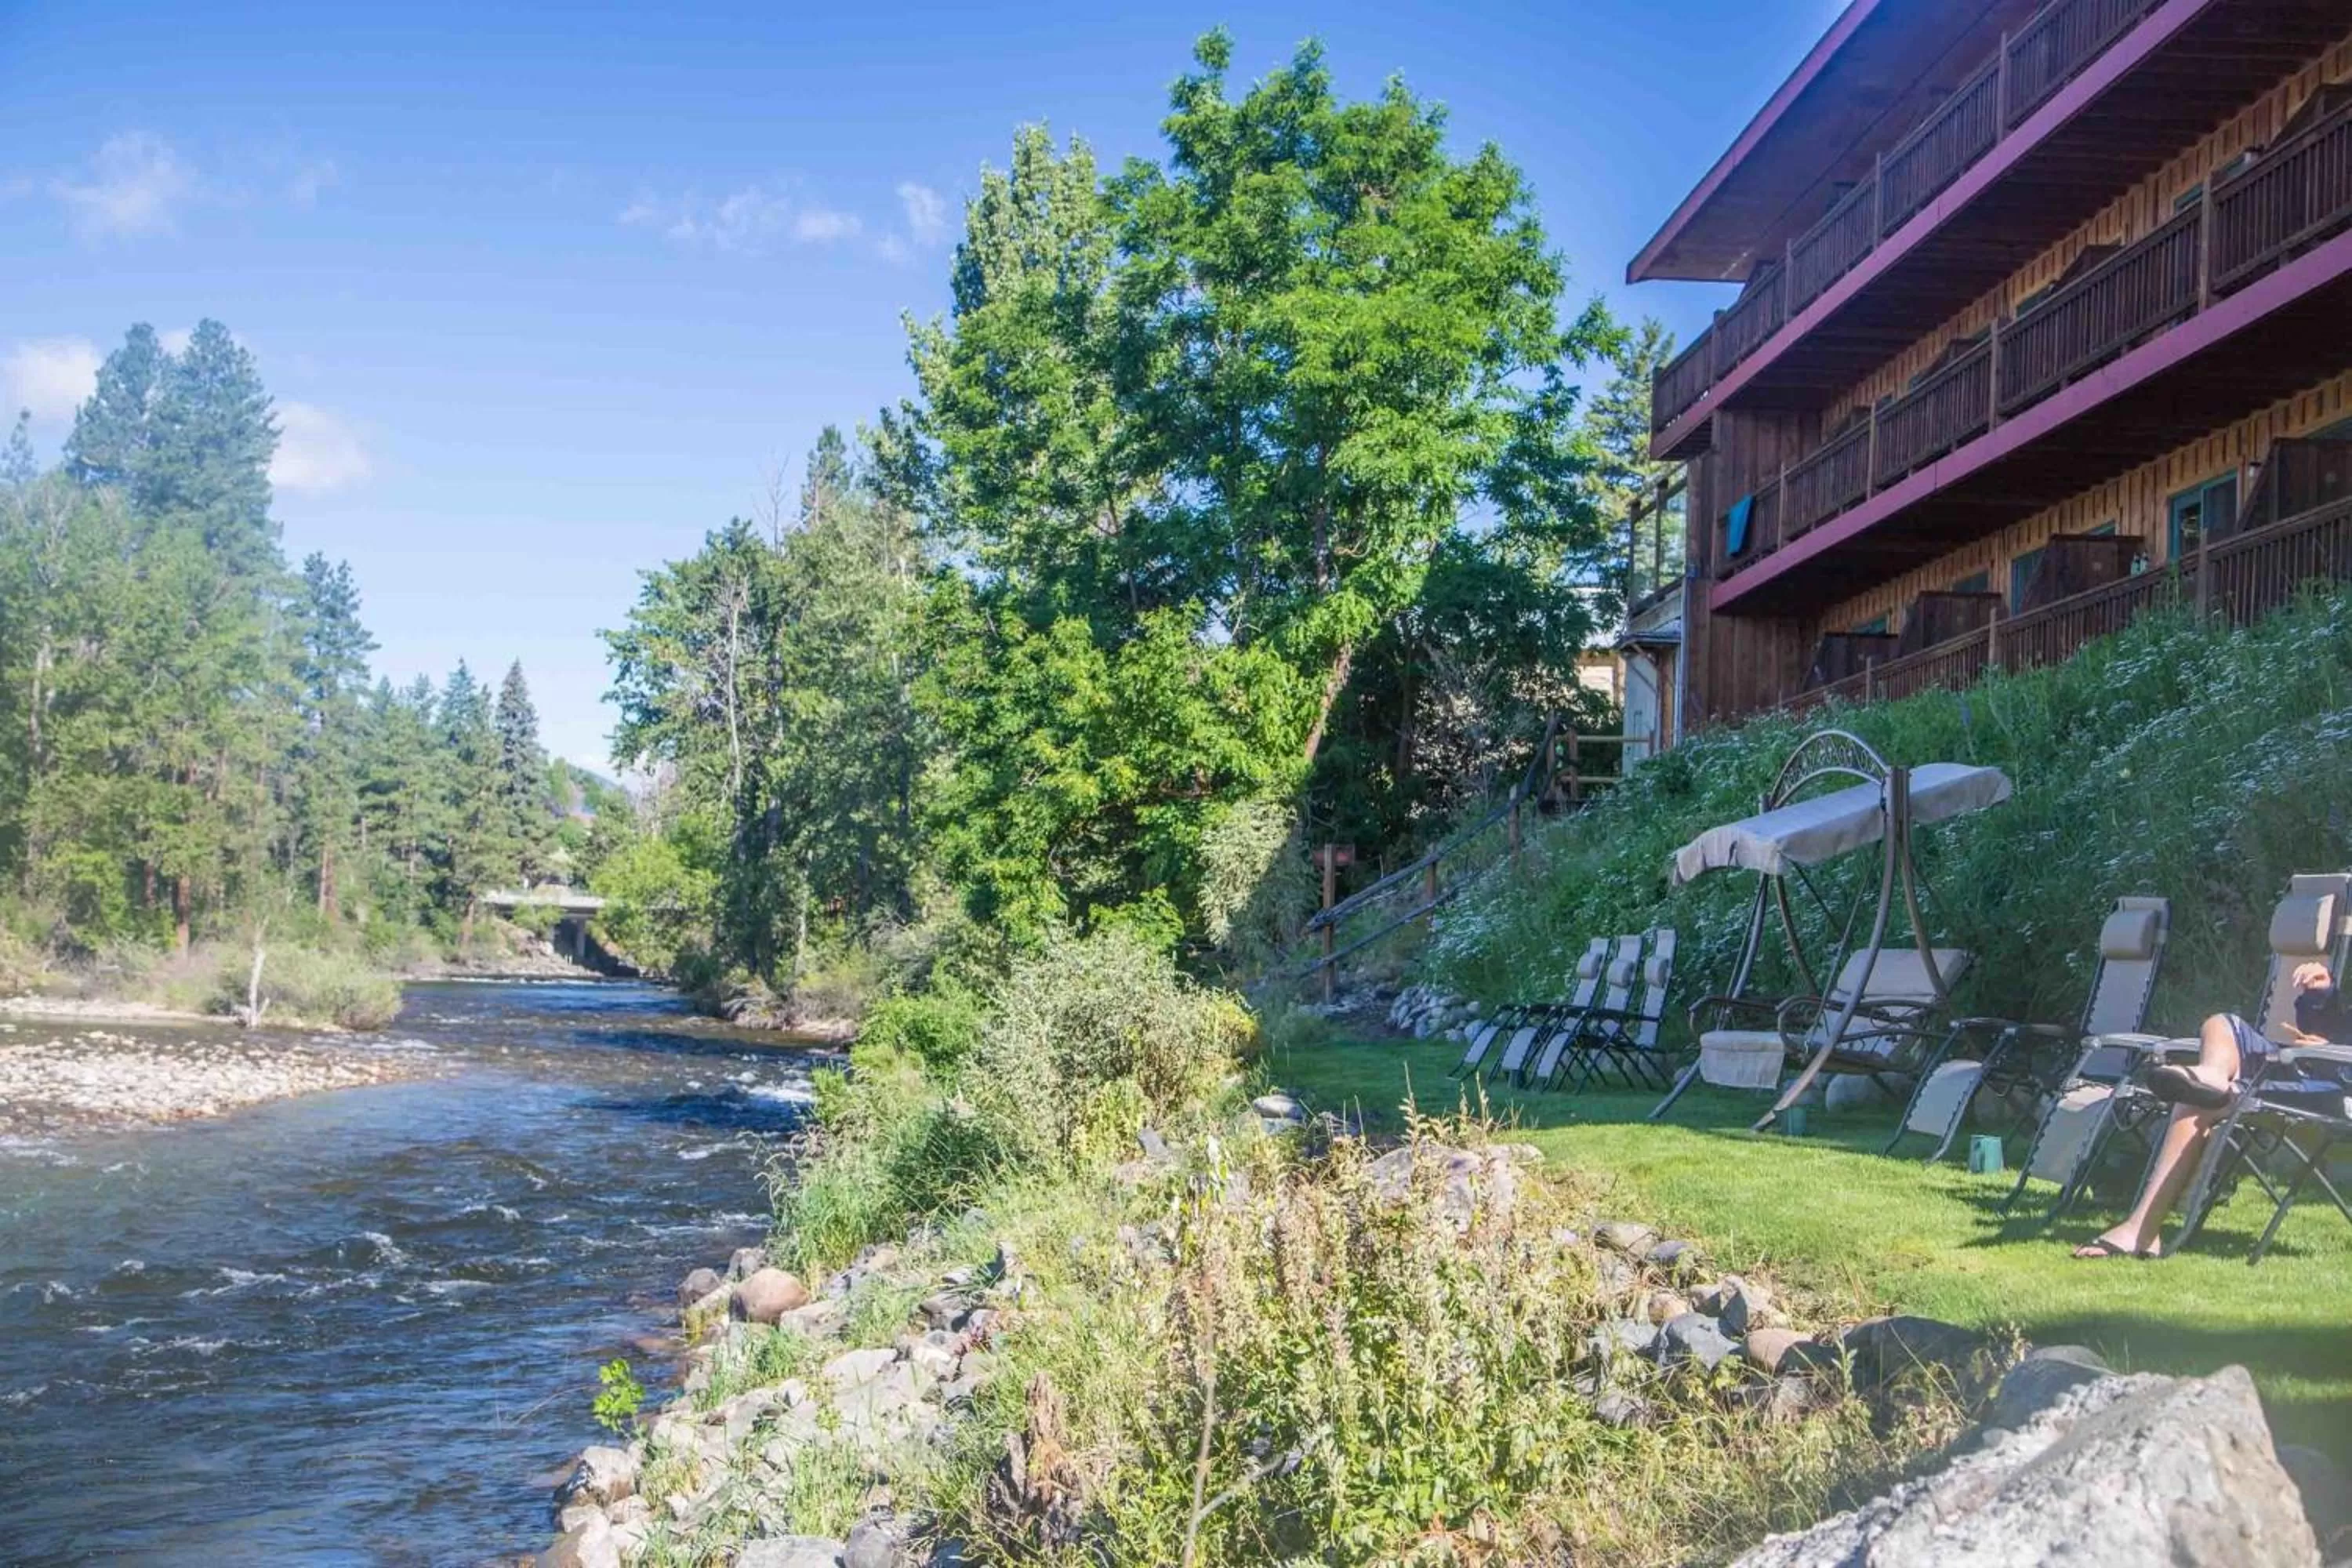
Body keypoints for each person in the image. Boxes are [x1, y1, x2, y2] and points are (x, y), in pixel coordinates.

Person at [2072, 961, 2345, 1260]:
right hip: (2310, 1066)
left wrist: (2336, 1055)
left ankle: (2141, 1230)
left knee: (2198, 1102)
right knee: (2222, 1023)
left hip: (2335, 1091)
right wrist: (2320, 992)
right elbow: (2326, 1029)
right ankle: (2212, 1073)